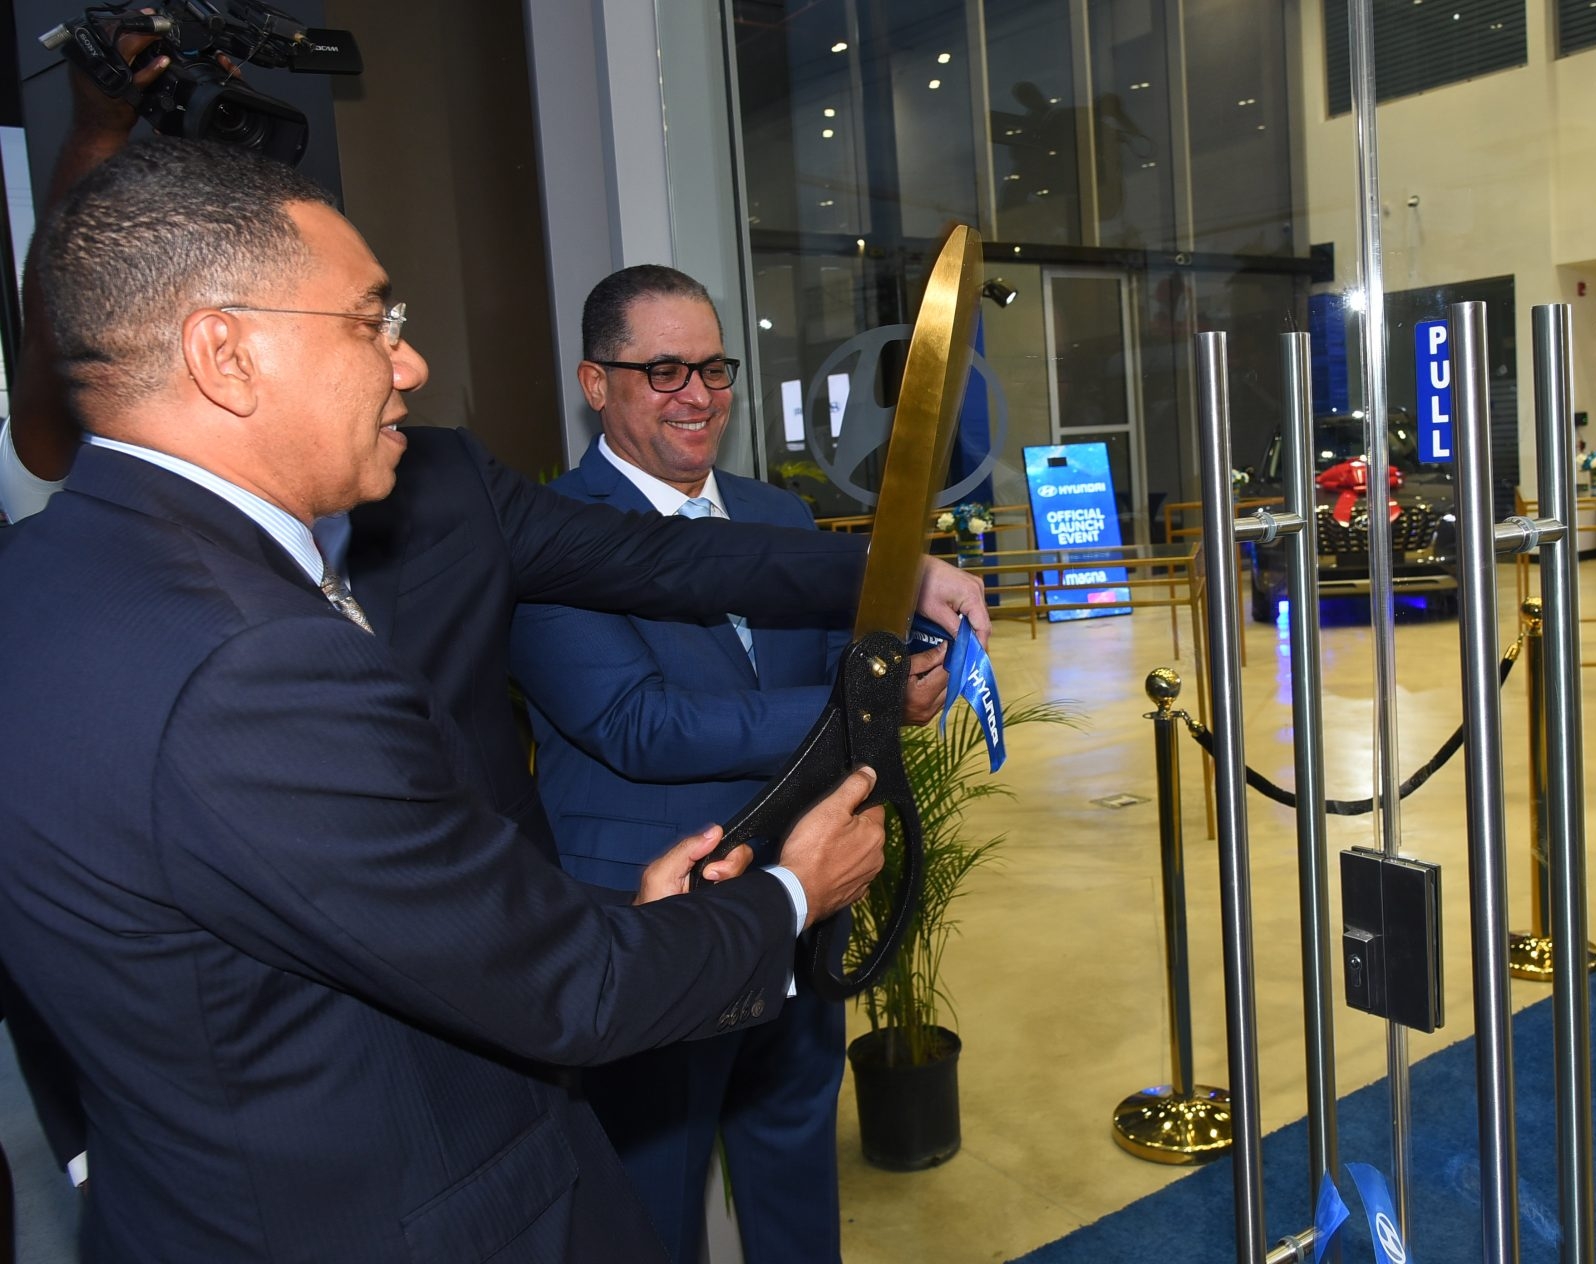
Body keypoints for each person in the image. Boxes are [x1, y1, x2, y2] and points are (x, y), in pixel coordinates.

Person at [0, 43, 990, 1197]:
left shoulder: (435, 488)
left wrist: (889, 569)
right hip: (400, 1172)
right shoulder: (246, 665)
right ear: (226, 353)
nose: (410, 362)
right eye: (372, 321)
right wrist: (786, 894)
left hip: (510, 1046)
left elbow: (659, 559)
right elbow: (554, 964)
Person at [510, 266, 934, 1261]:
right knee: (653, 1205)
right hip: (652, 921)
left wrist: (902, 672)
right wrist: (851, 697)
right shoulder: (545, 537)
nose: (696, 393)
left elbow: (836, 663)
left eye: (710, 366)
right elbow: (636, 722)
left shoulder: (777, 521)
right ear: (592, 380)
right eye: (661, 370)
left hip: (797, 901)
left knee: (794, 1177)